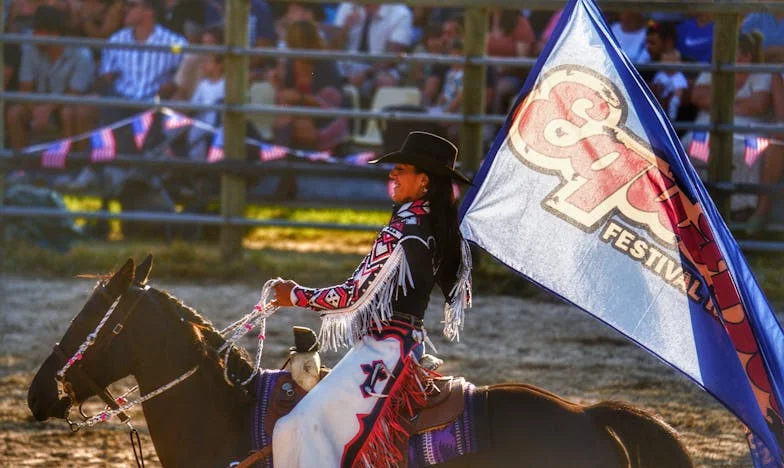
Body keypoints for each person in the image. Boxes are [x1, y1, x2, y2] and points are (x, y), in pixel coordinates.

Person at [270, 131, 473, 468]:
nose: (392, 174)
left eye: (402, 169)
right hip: (397, 345)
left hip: (386, 351)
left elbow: (352, 296)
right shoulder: (432, 227)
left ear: (424, 181)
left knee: (299, 425)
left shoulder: (404, 231)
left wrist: (294, 295)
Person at [686, 30, 772, 217]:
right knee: (690, 146)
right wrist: (741, 103)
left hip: (750, 130)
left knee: (747, 152)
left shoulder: (761, 75)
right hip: (709, 125)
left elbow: (758, 105)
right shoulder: (714, 69)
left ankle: (740, 206)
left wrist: (717, 102)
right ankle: (698, 202)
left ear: (747, 56)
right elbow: (697, 96)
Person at [4, 5, 96, 150]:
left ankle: (66, 163)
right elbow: (25, 88)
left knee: (68, 113)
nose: (33, 35)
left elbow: (74, 92)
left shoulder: (81, 55)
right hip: (37, 103)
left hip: (67, 104)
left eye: (38, 31)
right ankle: (21, 166)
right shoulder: (30, 48)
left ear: (54, 34)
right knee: (14, 113)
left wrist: (48, 109)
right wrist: (36, 110)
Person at [270, 19, 349, 151]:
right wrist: (278, 84)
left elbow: (331, 104)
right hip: (298, 114)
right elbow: (284, 99)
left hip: (325, 118)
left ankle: (283, 161)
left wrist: (300, 98)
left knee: (298, 125)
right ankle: (281, 161)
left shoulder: (325, 65)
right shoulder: (291, 63)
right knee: (284, 118)